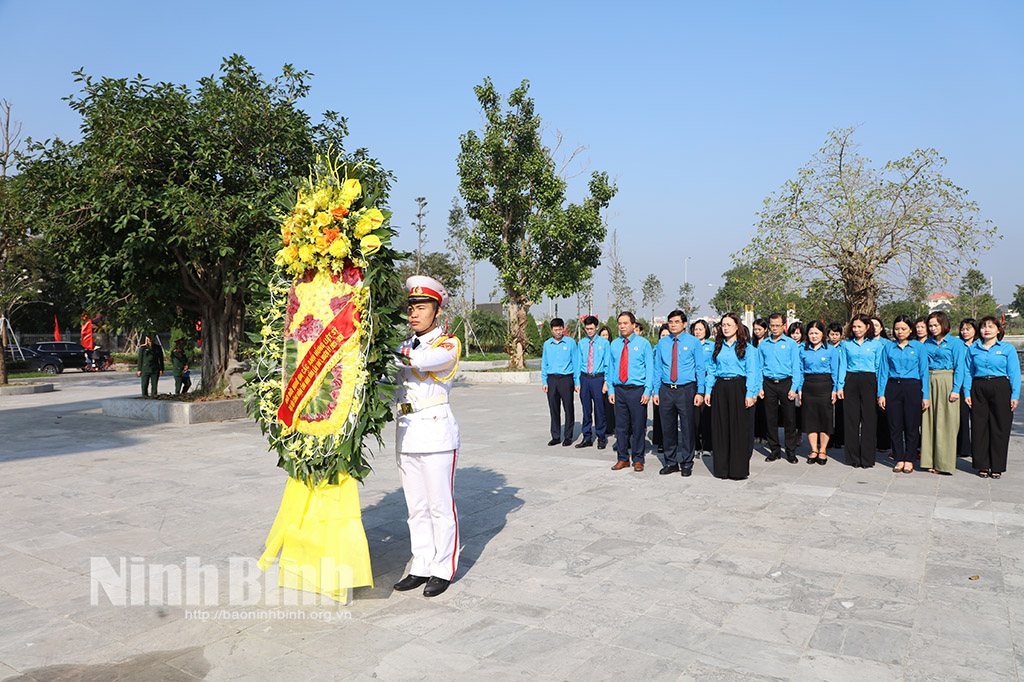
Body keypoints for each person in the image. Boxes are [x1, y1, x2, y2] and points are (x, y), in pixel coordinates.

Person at [392, 275, 461, 597]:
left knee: (439, 507)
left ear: (436, 311)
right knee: (416, 506)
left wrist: (379, 348)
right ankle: (421, 564)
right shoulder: (402, 346)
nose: (414, 313)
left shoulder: (447, 344)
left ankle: (442, 568)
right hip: (406, 433)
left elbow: (422, 361)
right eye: (411, 308)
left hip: (436, 434)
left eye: (422, 307)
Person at [963, 316, 1021, 479]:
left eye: (990, 326)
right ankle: (982, 464)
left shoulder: (1007, 349)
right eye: (983, 327)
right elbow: (968, 371)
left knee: (1000, 427)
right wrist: (967, 392)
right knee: (979, 426)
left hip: (1000, 387)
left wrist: (1015, 395)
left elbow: (1014, 372)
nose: (986, 329)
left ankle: (997, 466)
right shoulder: (973, 348)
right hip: (979, 387)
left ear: (998, 329)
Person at [704, 313, 759, 480]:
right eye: (723, 325)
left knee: (738, 428)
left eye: (729, 324)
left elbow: (752, 372)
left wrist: (750, 393)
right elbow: (712, 370)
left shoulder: (747, 348)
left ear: (737, 327)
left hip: (738, 387)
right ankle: (721, 468)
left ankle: (737, 470)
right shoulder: (717, 347)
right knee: (720, 427)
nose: (726, 328)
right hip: (720, 388)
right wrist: (708, 390)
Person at [652, 311, 705, 476]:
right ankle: (671, 462)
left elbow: (700, 368)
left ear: (684, 324)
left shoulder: (693, 342)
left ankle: (687, 463)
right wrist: (656, 390)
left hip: (686, 389)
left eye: (676, 322)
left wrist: (700, 391)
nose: (673, 325)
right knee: (667, 427)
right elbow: (657, 369)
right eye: (670, 322)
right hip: (666, 389)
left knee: (688, 427)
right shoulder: (663, 343)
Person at [877, 316, 930, 473]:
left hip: (912, 387)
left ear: (911, 330)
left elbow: (924, 372)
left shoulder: (919, 347)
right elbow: (883, 372)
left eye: (903, 329)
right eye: (897, 329)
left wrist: (925, 395)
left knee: (912, 425)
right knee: (895, 425)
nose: (900, 332)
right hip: (893, 387)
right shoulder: (888, 347)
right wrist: (881, 394)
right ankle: (899, 458)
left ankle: (910, 458)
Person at [606, 311, 654, 472]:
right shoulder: (614, 344)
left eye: (625, 323)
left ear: (634, 325)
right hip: (619, 390)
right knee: (620, 427)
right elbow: (611, 368)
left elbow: (650, 369)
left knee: (638, 426)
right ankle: (622, 458)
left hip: (637, 390)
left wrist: (647, 391)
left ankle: (638, 459)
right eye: (620, 323)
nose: (622, 326)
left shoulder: (643, 343)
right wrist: (611, 389)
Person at [921, 311, 967, 475]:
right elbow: (923, 368)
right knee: (929, 422)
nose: (933, 328)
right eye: (930, 325)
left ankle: (944, 464)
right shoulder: (926, 343)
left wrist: (956, 389)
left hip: (947, 380)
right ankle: (929, 461)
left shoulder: (955, 343)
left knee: (947, 423)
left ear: (944, 324)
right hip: (930, 380)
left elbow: (960, 367)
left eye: (936, 325)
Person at [837, 314, 883, 468]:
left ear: (867, 327)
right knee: (851, 420)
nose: (856, 330)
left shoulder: (876, 345)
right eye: (854, 327)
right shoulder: (846, 344)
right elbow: (842, 365)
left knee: (869, 420)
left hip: (870, 381)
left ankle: (867, 458)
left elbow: (879, 367)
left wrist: (879, 390)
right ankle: (853, 457)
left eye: (859, 326)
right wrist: (839, 386)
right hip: (851, 380)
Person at [758, 313, 802, 463]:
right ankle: (774, 450)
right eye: (772, 325)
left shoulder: (791, 344)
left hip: (786, 383)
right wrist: (760, 386)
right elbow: (759, 367)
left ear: (784, 325)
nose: (774, 328)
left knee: (789, 418)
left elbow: (796, 367)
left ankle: (790, 451)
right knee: (770, 418)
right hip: (768, 383)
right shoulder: (763, 344)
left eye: (778, 325)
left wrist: (794, 387)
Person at [797, 321, 838, 464]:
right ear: (807, 335)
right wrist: (800, 389)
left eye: (817, 333)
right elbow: (800, 371)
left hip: (825, 386)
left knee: (824, 419)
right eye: (811, 333)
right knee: (810, 420)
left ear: (823, 334)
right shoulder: (803, 350)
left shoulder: (831, 350)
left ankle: (823, 450)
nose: (814, 336)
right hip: (808, 386)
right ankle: (814, 449)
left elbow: (835, 372)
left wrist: (835, 389)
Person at [541, 317, 580, 447]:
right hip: (552, 380)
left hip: (566, 379)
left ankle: (568, 436)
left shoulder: (570, 343)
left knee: (568, 407)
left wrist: (576, 381)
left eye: (560, 329)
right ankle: (556, 436)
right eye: (556, 330)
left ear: (564, 328)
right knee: (553, 408)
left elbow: (575, 362)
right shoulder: (547, 344)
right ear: (551, 330)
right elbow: (544, 363)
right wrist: (544, 381)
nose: (558, 332)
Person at [575, 316, 610, 450]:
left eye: (591, 328)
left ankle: (601, 437)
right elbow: (578, 363)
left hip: (598, 378)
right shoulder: (582, 343)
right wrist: (577, 381)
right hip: (585, 378)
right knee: (586, 409)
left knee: (600, 409)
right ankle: (587, 437)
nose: (589, 331)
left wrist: (606, 382)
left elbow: (607, 364)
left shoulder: (604, 343)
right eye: (587, 329)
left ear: (597, 327)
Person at [956, 318, 980, 458]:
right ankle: (963, 448)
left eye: (968, 329)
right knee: (962, 418)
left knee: (977, 419)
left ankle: (978, 448)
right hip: (960, 385)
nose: (965, 332)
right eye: (963, 329)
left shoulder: (979, 345)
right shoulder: (958, 345)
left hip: (976, 385)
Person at [691, 320, 715, 458]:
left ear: (706, 330)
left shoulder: (711, 346)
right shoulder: (690, 345)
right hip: (692, 381)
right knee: (694, 417)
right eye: (695, 329)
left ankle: (707, 446)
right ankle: (695, 445)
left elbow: (713, 365)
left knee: (706, 415)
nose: (698, 331)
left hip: (707, 382)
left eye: (700, 329)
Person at [870, 315, 893, 455]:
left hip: (884, 380)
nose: (874, 328)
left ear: (882, 328)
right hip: (869, 381)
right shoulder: (865, 342)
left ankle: (883, 442)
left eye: (876, 325)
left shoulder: (887, 344)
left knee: (883, 412)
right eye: (871, 325)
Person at [651, 323, 671, 454]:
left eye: (666, 335)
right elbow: (653, 369)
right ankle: (660, 442)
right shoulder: (655, 349)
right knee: (658, 415)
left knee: (669, 417)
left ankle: (669, 441)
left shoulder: (674, 348)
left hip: (670, 386)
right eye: (662, 335)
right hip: (658, 386)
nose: (664, 337)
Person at [827, 322, 846, 450]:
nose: (834, 337)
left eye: (837, 334)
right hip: (828, 382)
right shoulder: (825, 347)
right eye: (832, 334)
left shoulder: (843, 347)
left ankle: (839, 438)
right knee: (828, 412)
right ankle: (828, 438)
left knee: (840, 412)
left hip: (842, 383)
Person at [751, 319, 769, 447]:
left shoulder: (768, 343)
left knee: (765, 409)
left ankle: (765, 434)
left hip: (766, 379)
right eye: (755, 329)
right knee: (755, 409)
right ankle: (756, 433)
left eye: (759, 329)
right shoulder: (751, 344)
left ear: (765, 329)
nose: (757, 332)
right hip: (754, 378)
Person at [598, 325, 615, 440]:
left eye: (606, 335)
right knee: (600, 406)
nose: (604, 337)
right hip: (597, 379)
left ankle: (610, 426)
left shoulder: (612, 347)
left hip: (609, 378)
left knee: (609, 405)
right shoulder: (597, 346)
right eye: (602, 335)